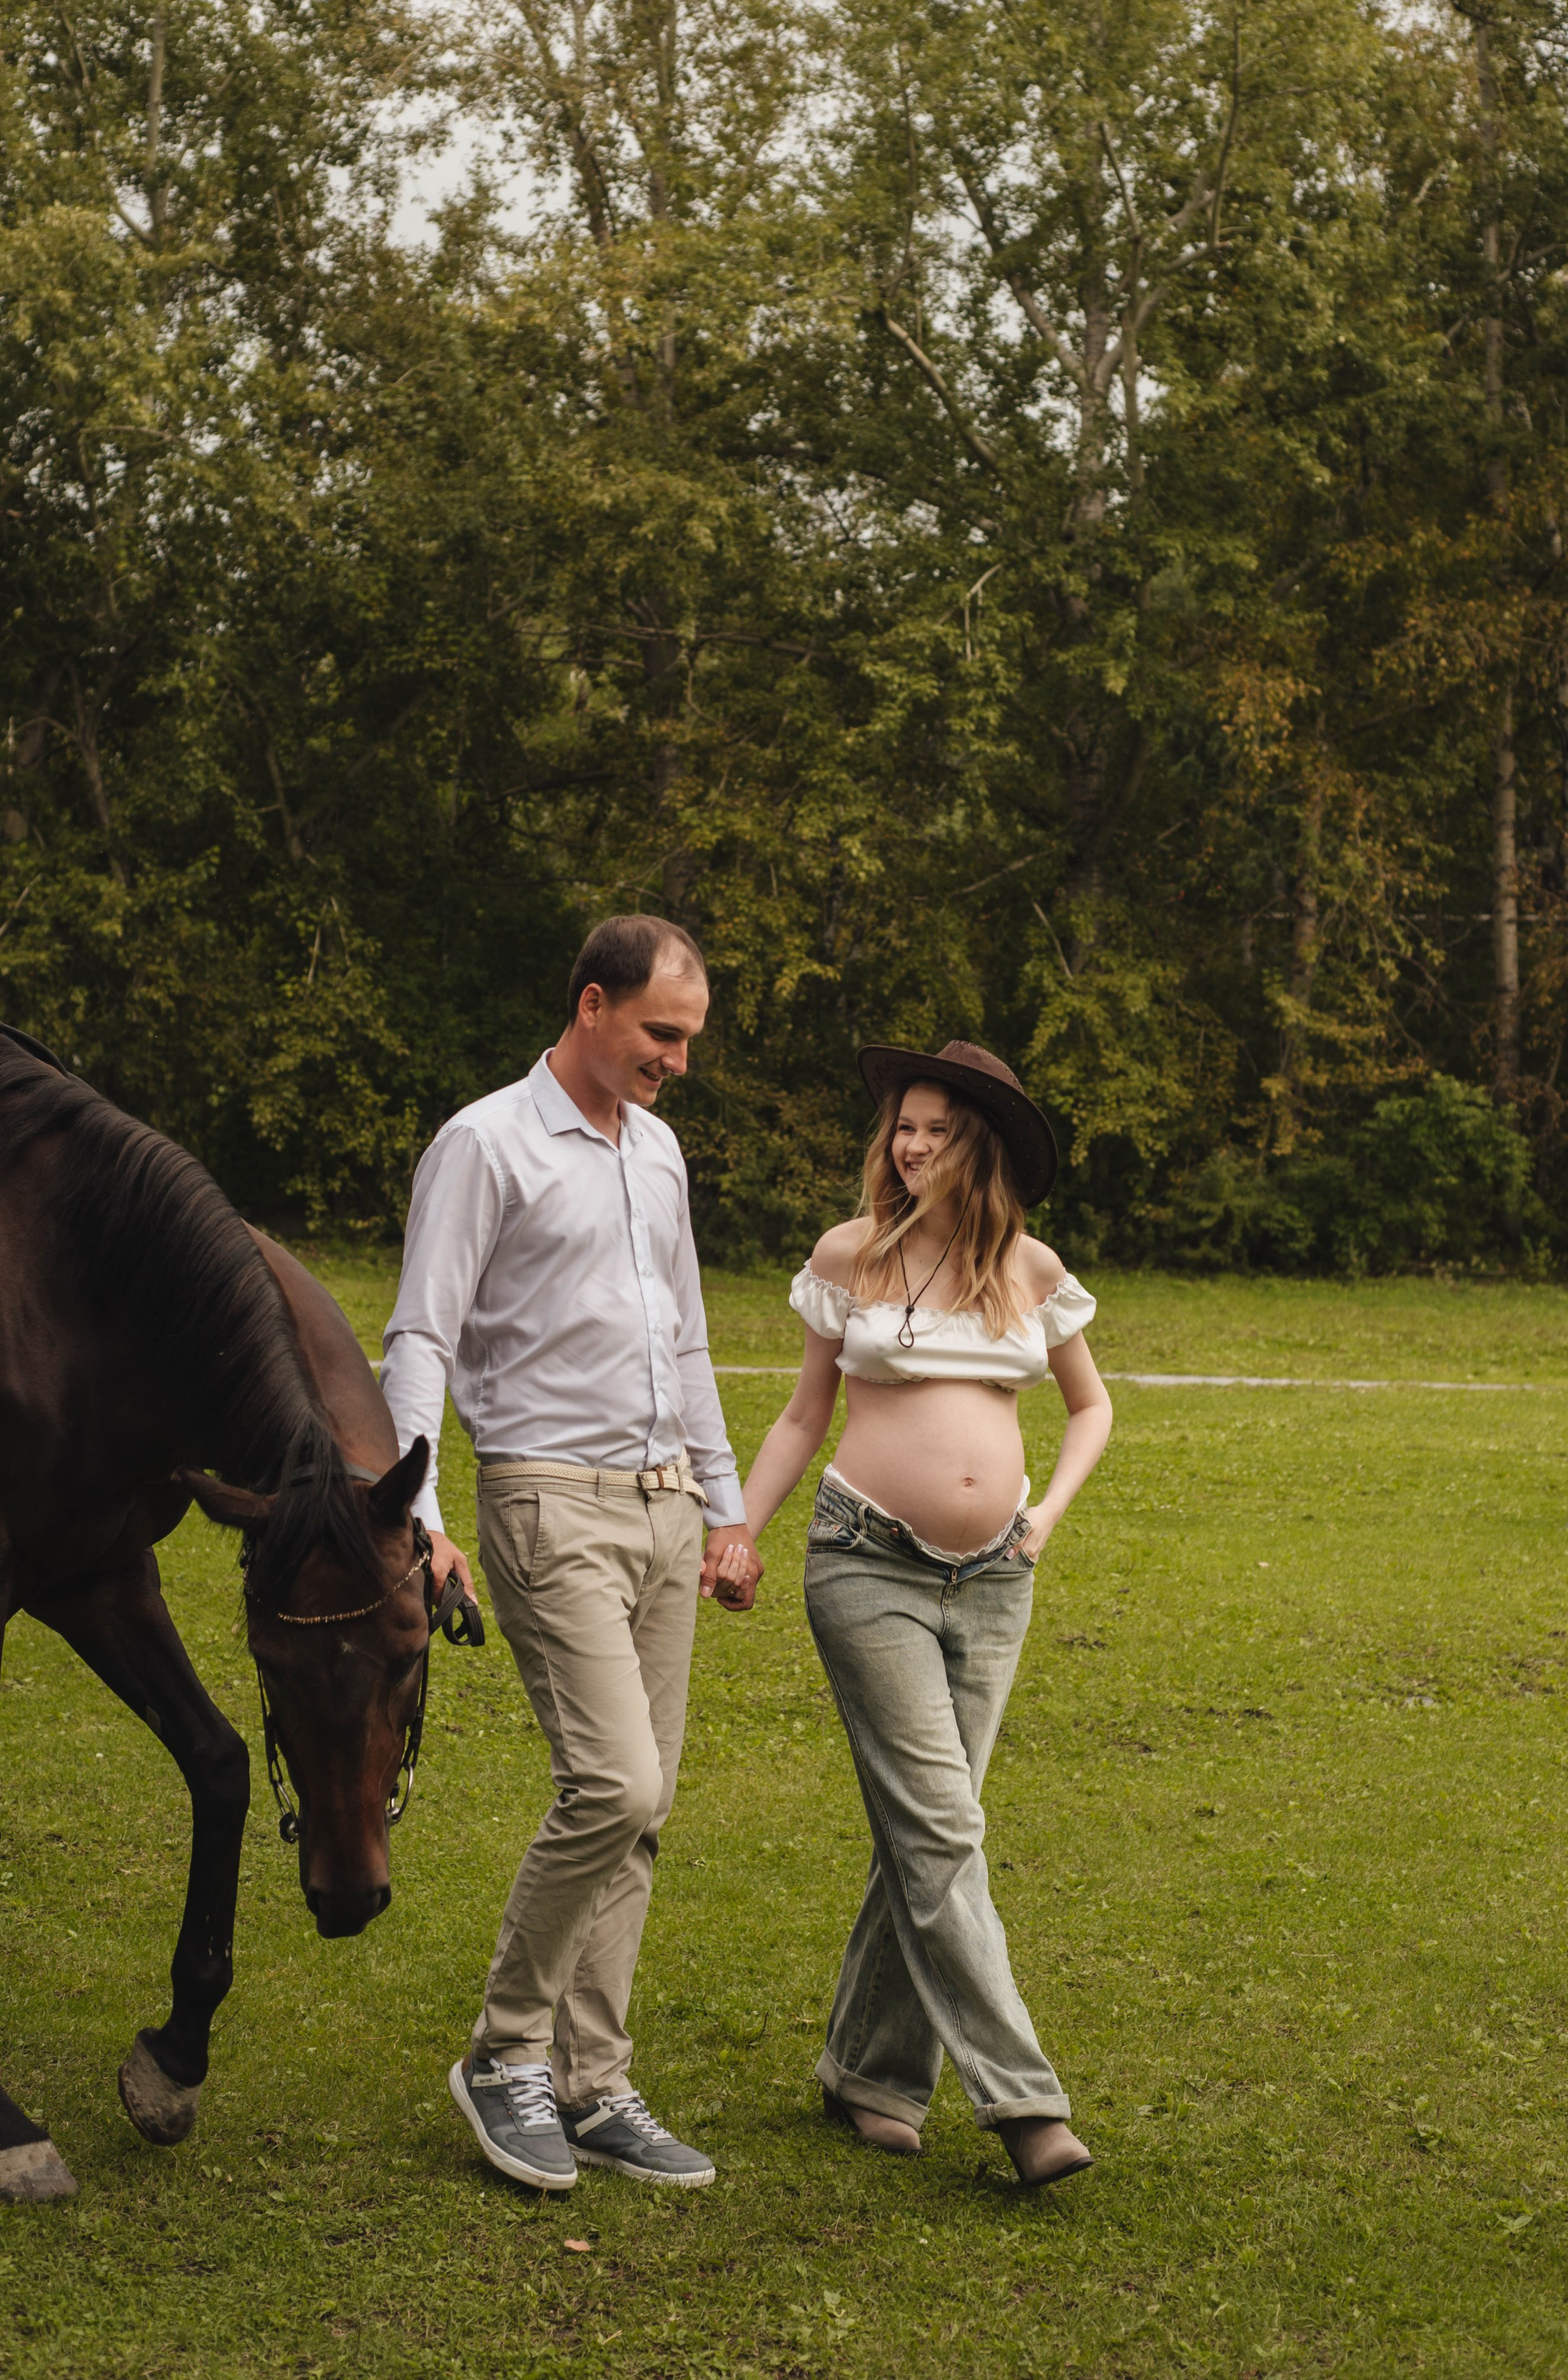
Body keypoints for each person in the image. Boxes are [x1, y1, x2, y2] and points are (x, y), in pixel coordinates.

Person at [381, 916, 762, 2194]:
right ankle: (505, 2055)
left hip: (663, 1510)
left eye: (690, 1040)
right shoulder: (485, 1143)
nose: (677, 1062)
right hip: (548, 1501)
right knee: (614, 1785)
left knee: (643, 1815)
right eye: (662, 1033)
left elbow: (692, 1342)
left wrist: (723, 1507)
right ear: (592, 1006)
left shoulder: (659, 1156)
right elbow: (421, 1339)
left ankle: (595, 2085)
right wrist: (418, 1516)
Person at [738, 1040, 1111, 2186]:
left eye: (937, 1129)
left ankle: (869, 2071)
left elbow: (1092, 1408)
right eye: (902, 1125)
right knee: (944, 1831)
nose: (911, 1144)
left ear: (979, 1147)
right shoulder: (849, 1255)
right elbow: (805, 1414)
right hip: (866, 1564)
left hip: (997, 1578)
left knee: (926, 1828)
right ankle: (1025, 2105)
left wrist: (1044, 1514)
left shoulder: (1030, 1270)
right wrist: (739, 1527)